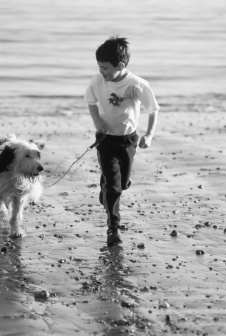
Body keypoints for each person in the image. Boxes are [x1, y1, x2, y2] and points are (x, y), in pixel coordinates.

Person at [84, 36, 159, 247]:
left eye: (105, 68)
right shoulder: (97, 81)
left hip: (128, 140)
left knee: (122, 183)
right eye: (99, 66)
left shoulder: (137, 84)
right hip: (106, 140)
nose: (101, 71)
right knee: (114, 186)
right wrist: (97, 121)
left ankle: (106, 187)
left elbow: (152, 109)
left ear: (121, 65)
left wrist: (149, 135)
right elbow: (91, 102)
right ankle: (113, 228)